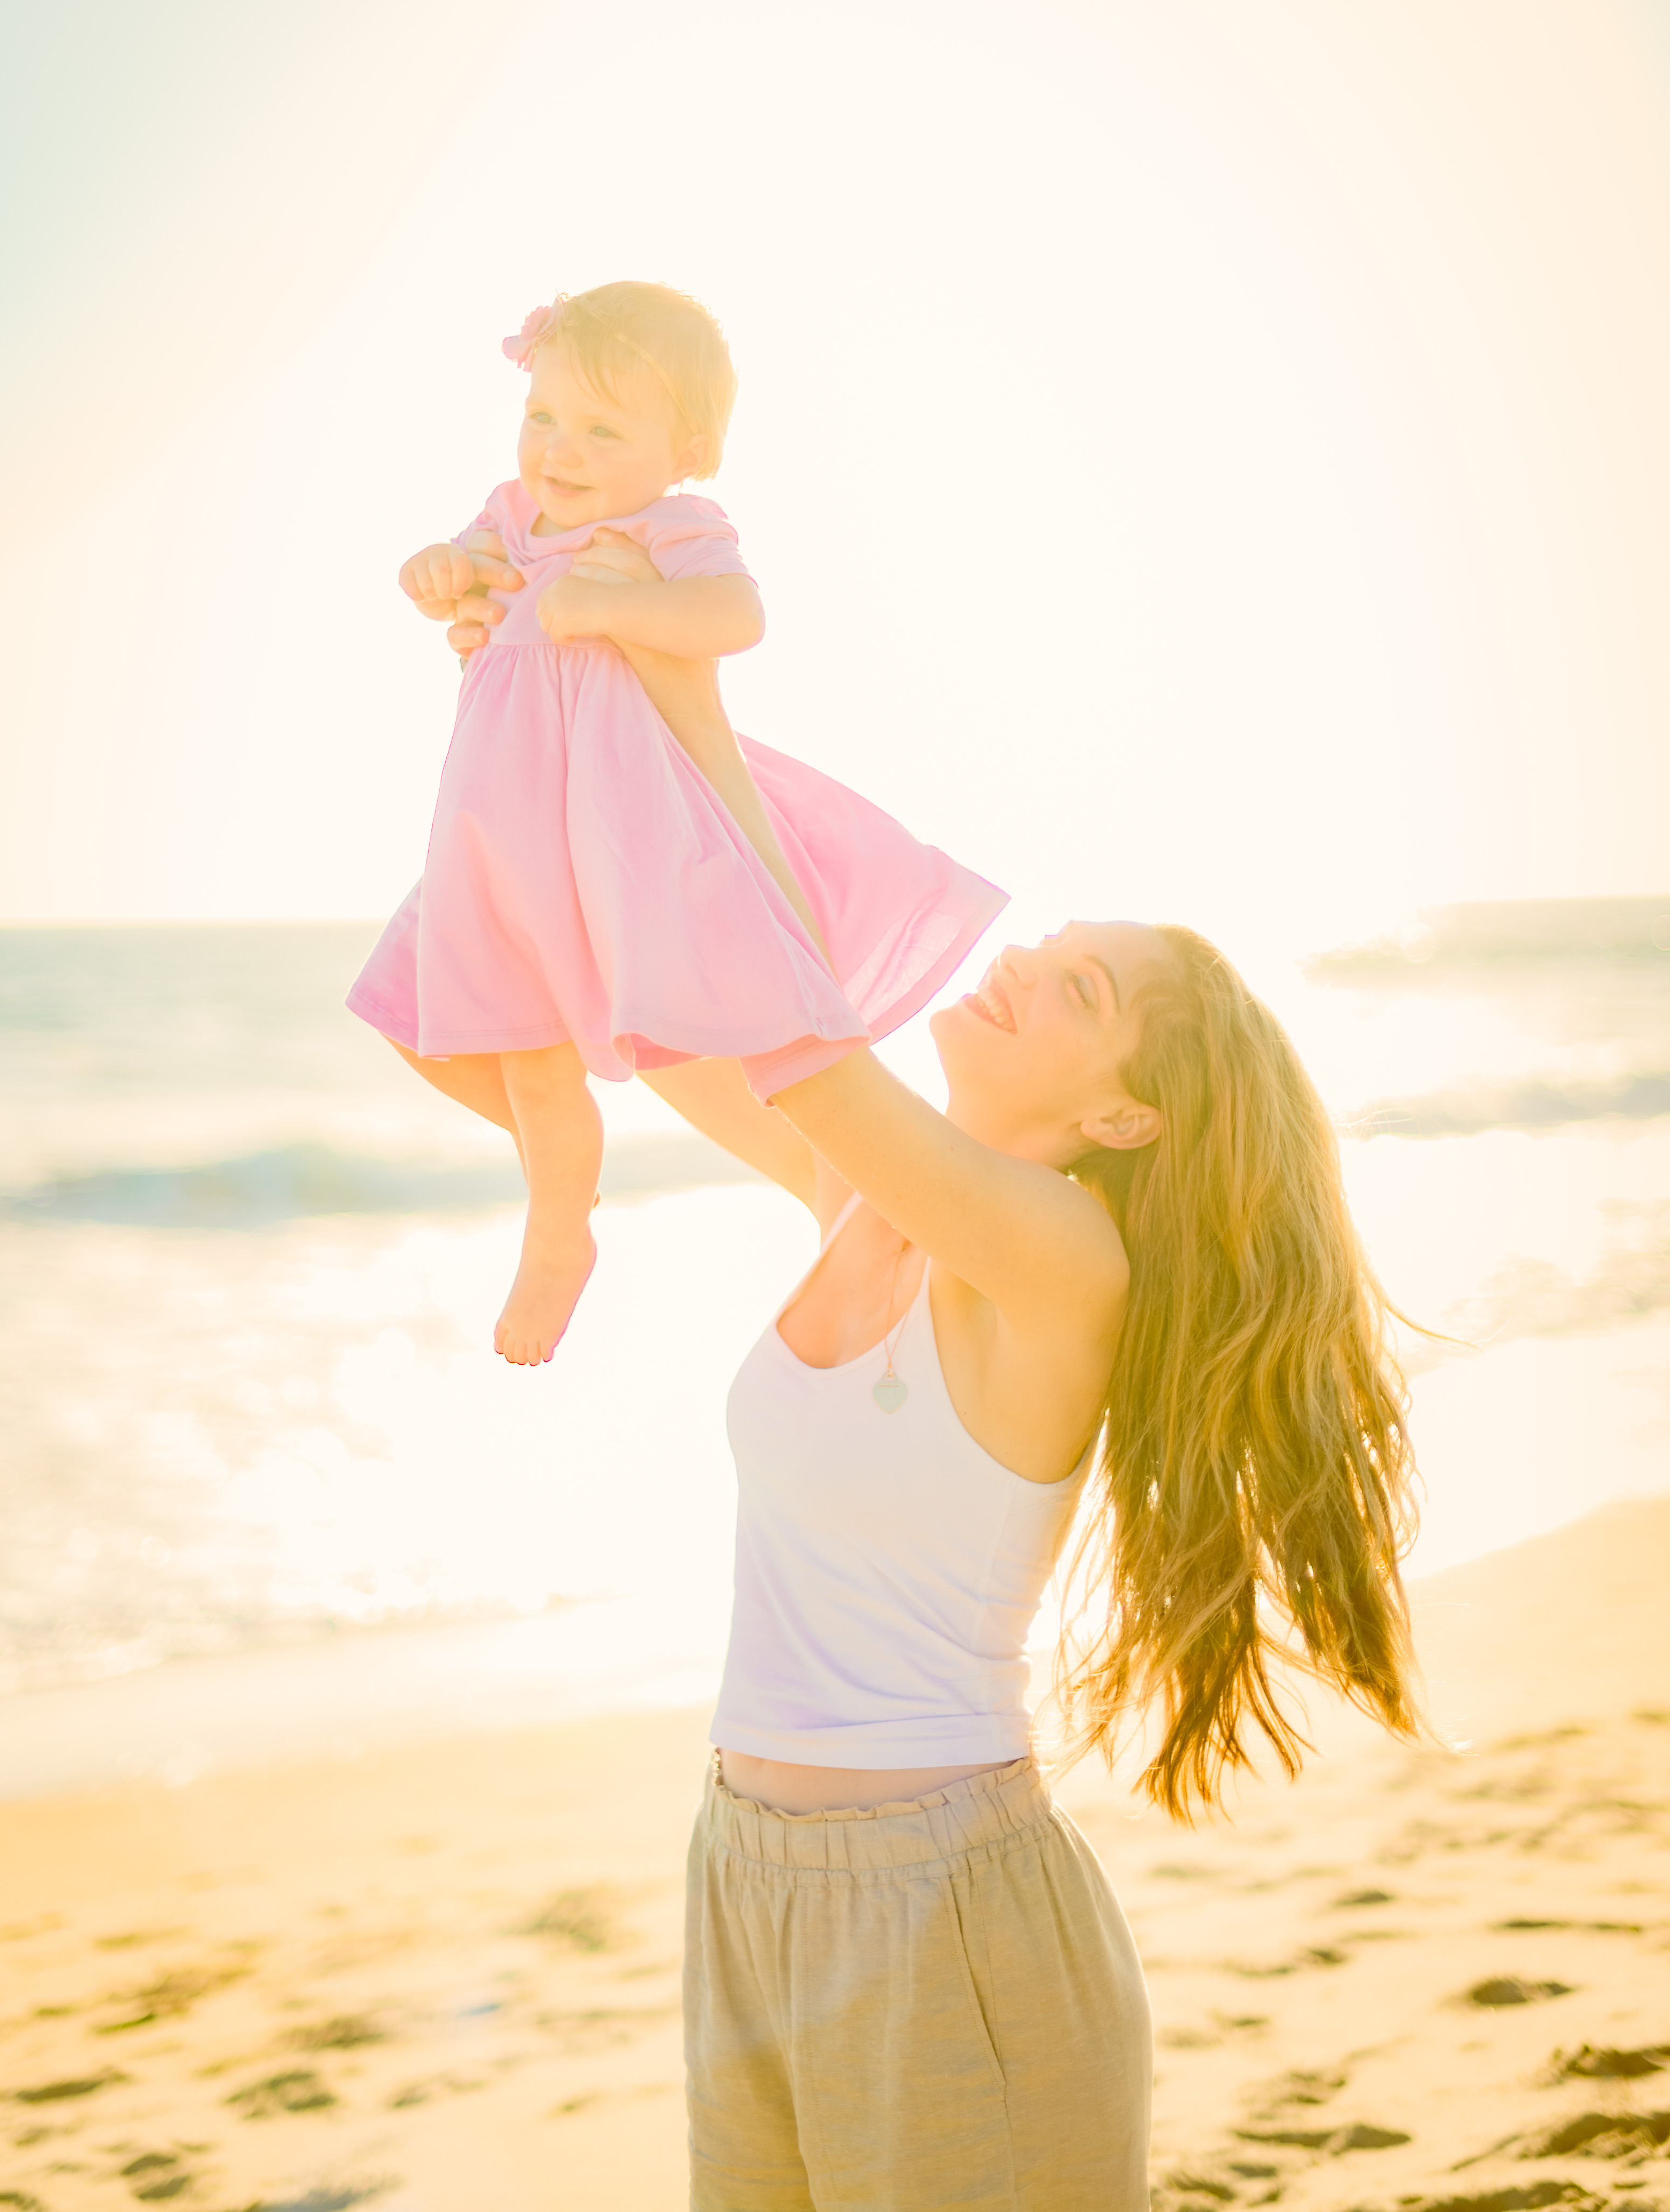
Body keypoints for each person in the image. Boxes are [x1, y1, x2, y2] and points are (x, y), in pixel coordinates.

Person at [416, 545, 1421, 2212]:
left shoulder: (1058, 1264)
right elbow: (662, 1006)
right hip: (743, 1876)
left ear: (1123, 1117)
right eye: (1057, 943)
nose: (1023, 964)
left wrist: (663, 672)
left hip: (943, 1905)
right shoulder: (857, 1197)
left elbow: (783, 1012)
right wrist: (528, 689)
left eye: (1079, 989)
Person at [346, 281, 1005, 1367]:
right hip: (501, 830)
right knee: (445, 1019)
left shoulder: (671, 529)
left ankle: (560, 1223)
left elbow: (735, 617)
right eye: (544, 416)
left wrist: (608, 606)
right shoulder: (512, 517)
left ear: (686, 447)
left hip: (618, 826)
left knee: (598, 1026)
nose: (561, 449)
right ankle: (567, 1167)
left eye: (604, 427)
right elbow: (455, 580)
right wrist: (438, 573)